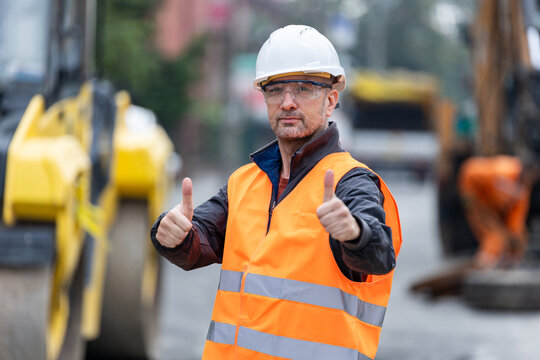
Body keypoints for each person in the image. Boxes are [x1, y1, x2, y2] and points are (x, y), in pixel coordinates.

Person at [151, 25, 402, 360]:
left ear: (330, 100)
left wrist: (355, 234)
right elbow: (200, 240)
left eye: (303, 89)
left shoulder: (351, 182)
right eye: (275, 90)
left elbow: (378, 254)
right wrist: (169, 234)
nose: (287, 102)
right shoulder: (244, 182)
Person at [458, 154, 538, 269]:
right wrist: (468, 196)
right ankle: (483, 265)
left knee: (519, 235)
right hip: (477, 199)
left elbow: (516, 218)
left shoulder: (523, 188)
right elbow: (469, 171)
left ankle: (504, 263)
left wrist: (514, 238)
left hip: (492, 207)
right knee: (494, 236)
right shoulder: (505, 169)